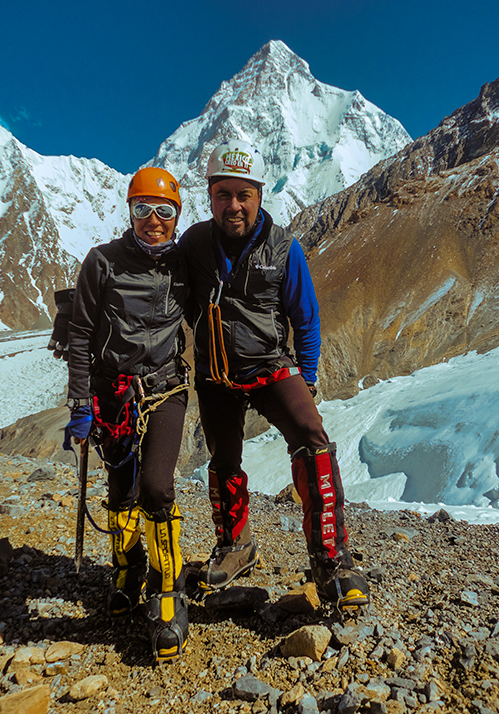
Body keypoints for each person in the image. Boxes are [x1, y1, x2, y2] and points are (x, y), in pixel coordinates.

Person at [179, 140, 369, 609]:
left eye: (243, 194)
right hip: (216, 374)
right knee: (224, 460)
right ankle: (236, 544)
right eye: (224, 194)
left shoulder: (284, 248)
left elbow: (305, 315)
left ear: (260, 194)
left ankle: (330, 557)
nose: (234, 205)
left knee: (311, 436)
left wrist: (306, 377)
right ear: (210, 196)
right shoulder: (195, 244)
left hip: (270, 366)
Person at [65, 167, 189, 662]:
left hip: (164, 390)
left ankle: (168, 588)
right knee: (120, 491)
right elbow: (79, 333)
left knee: (156, 487)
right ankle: (128, 566)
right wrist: (79, 402)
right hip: (113, 393)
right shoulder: (102, 262)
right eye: (143, 209)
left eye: (164, 211)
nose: (153, 220)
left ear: (178, 216)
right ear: (129, 211)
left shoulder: (187, 262)